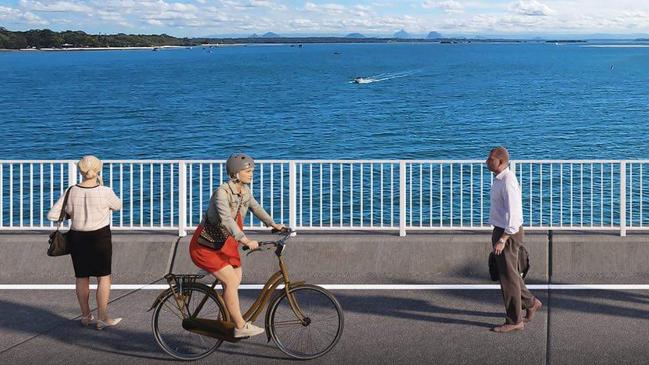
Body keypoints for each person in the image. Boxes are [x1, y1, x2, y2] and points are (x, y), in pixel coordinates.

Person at [189, 153, 284, 338]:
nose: (251, 174)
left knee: (235, 279)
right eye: (247, 171)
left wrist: (274, 224)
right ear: (235, 173)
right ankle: (240, 325)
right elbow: (226, 220)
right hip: (206, 247)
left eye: (252, 171)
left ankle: (226, 322)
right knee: (231, 281)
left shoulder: (245, 191)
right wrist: (246, 240)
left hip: (226, 245)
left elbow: (256, 208)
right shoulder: (221, 193)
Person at [47, 155, 122, 330]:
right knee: (103, 276)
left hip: (78, 238)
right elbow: (117, 205)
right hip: (100, 238)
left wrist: (71, 213)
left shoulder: (71, 191)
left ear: (81, 170)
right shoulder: (105, 191)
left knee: (82, 277)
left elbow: (52, 215)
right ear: (98, 170)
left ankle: (86, 316)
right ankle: (103, 317)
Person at [486, 146, 542, 333]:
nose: (487, 161)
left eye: (491, 158)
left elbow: (515, 215)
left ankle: (514, 320)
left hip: (507, 234)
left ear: (501, 162)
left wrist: (503, 239)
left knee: (508, 278)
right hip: (501, 230)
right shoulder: (499, 179)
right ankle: (531, 303)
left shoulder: (508, 181)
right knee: (510, 274)